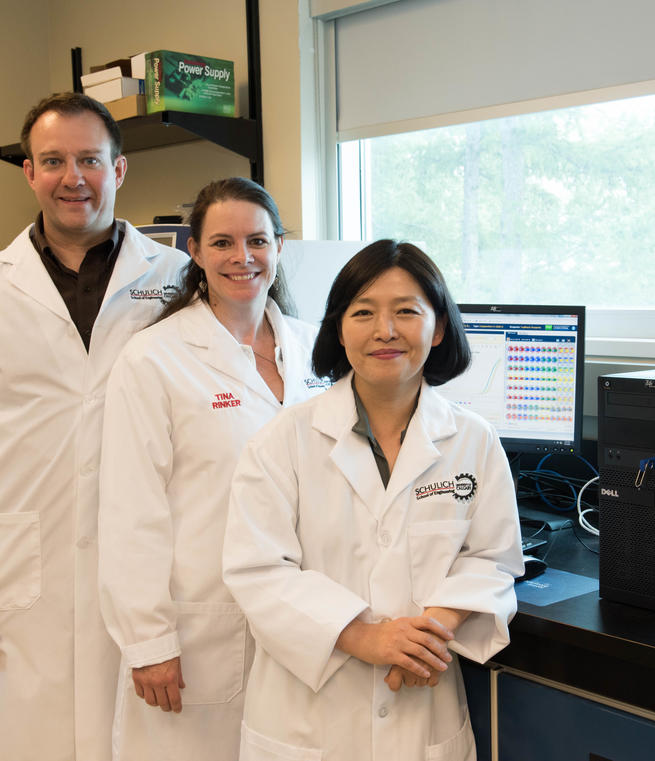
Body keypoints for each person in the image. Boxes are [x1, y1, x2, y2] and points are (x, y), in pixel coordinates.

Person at [0, 92, 188, 761]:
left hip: (141, 560)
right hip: (9, 569)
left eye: (90, 158)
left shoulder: (178, 281)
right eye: (53, 160)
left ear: (119, 169)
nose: (73, 176)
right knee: (14, 737)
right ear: (29, 172)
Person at [223, 239, 524, 761]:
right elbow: (257, 572)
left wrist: (429, 634)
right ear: (339, 329)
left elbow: (492, 558)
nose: (386, 330)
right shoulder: (283, 440)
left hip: (421, 710)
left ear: (440, 328)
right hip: (307, 719)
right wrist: (366, 637)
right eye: (363, 312)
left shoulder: (473, 440)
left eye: (407, 311)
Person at [97, 177, 329, 761]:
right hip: (203, 617)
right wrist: (148, 641)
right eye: (222, 242)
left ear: (278, 246)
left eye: (257, 240)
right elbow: (131, 510)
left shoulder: (319, 350)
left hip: (308, 612)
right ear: (195, 252)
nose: (242, 257)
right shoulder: (154, 358)